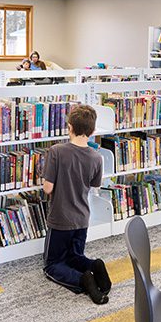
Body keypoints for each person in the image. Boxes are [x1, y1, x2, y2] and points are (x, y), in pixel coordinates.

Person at [42, 104, 110, 304]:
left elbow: (47, 188)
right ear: (93, 131)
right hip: (82, 218)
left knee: (52, 265)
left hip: (60, 219)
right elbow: (94, 185)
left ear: (69, 127)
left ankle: (83, 280)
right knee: (74, 256)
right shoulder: (97, 157)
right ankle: (95, 266)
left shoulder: (56, 151)